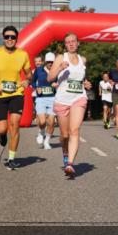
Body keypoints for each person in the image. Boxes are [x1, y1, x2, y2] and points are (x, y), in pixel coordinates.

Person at [0, 26, 31, 170]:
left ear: (16, 39)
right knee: (1, 129)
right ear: (3, 38)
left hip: (17, 93)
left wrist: (27, 80)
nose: (10, 39)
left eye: (13, 37)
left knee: (14, 125)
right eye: (7, 37)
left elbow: (29, 74)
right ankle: (2, 136)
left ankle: (11, 158)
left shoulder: (23, 54)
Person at [48, 32, 91, 177]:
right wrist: (59, 68)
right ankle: (65, 153)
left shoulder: (83, 60)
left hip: (79, 98)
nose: (71, 44)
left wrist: (86, 83)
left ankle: (70, 164)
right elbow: (50, 77)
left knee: (74, 130)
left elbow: (81, 78)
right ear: (65, 45)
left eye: (73, 41)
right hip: (62, 99)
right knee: (65, 135)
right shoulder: (61, 58)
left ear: (78, 43)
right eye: (68, 42)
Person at [31, 52, 57, 150]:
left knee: (51, 122)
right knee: (42, 121)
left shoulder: (56, 71)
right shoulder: (39, 70)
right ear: (45, 62)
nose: (51, 64)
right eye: (49, 62)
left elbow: (61, 82)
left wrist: (56, 85)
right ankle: (41, 132)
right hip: (41, 98)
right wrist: (36, 87)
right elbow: (32, 81)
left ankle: (47, 141)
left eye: (52, 62)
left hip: (52, 98)